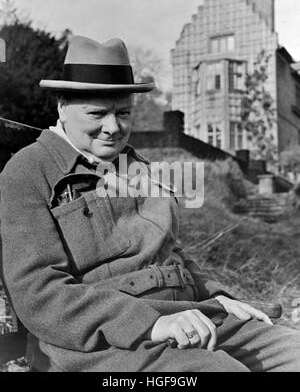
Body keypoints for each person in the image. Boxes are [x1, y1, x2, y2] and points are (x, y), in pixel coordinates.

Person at [0, 35, 300, 372]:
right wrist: (149, 324)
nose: (113, 128)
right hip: (104, 343)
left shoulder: (137, 167)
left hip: (193, 316)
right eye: (97, 113)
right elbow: (39, 293)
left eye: (124, 113)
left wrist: (222, 298)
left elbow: (174, 254)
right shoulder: (28, 172)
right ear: (62, 106)